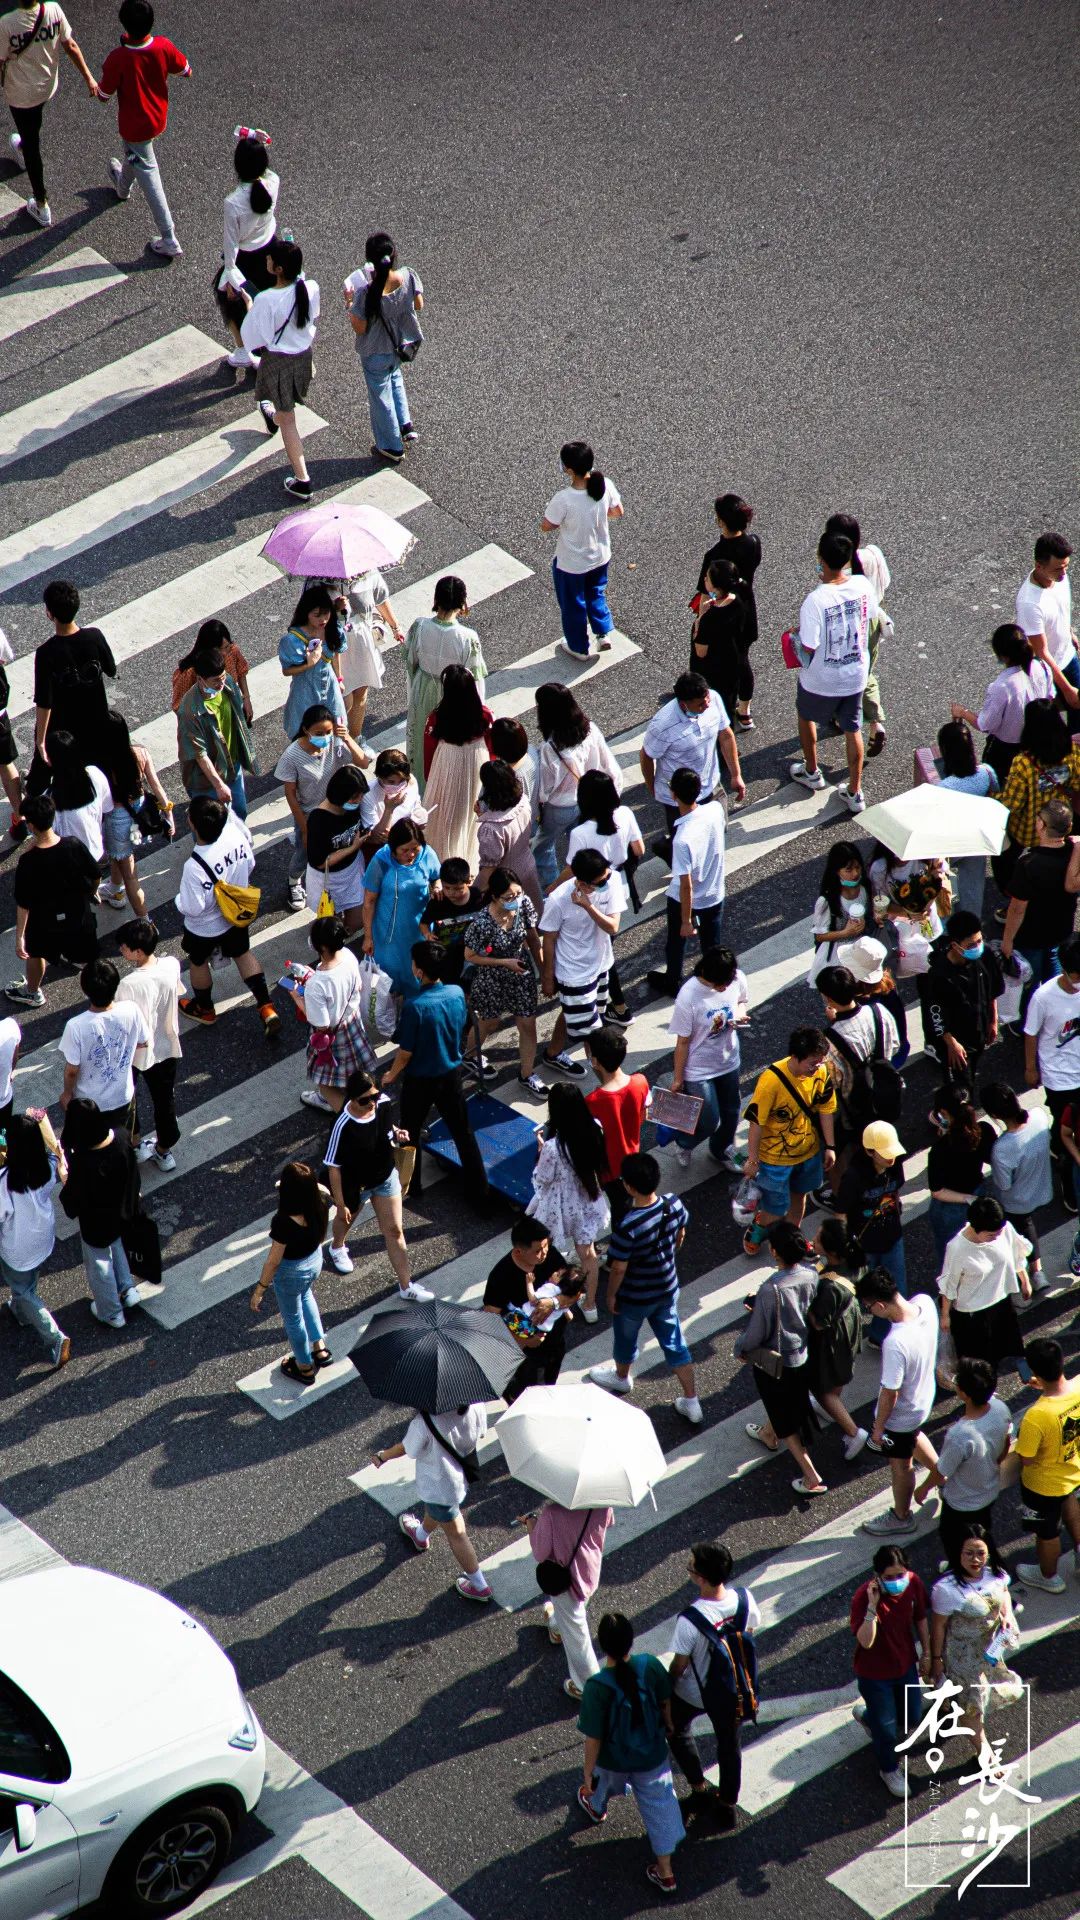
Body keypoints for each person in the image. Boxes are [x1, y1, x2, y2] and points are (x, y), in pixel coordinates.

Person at [585, 1152, 701, 1425]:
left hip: (635, 1296)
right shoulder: (673, 1204)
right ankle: (692, 1400)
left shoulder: (628, 1225)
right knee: (674, 1343)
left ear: (628, 1186)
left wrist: (611, 1294)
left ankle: (622, 1377)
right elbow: (681, 1234)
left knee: (626, 1339)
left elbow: (619, 1268)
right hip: (667, 1287)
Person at [575, 1612, 685, 1895]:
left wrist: (588, 1772)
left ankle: (596, 1806)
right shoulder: (649, 1665)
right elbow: (664, 1700)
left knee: (602, 1783)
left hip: (614, 1758)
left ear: (603, 1646)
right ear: (631, 1640)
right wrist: (669, 1724)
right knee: (660, 1806)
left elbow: (594, 1737)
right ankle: (666, 1872)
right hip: (652, 1755)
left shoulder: (597, 1686)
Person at [380, 942, 489, 1204]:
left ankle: (410, 1186)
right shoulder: (456, 993)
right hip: (451, 1075)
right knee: (463, 1133)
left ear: (419, 971)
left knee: (409, 1133)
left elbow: (405, 1053)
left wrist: (391, 1075)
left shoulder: (415, 1006)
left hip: (420, 1080)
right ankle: (480, 1196)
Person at [666, 1539, 760, 1829]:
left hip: (695, 1694)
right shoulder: (745, 1599)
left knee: (677, 1729)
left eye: (691, 1566)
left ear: (700, 1578)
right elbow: (749, 1633)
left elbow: (679, 1666)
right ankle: (727, 1805)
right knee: (729, 1747)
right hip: (735, 1692)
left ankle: (698, 1788)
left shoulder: (690, 1620)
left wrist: (665, 1691)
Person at [788, 529, 878, 813]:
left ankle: (812, 772)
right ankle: (854, 791)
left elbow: (810, 644)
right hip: (854, 674)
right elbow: (872, 615)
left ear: (821, 560)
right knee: (853, 728)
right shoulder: (863, 585)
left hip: (821, 679)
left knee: (806, 716)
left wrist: (795, 634)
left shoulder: (815, 600)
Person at [174, 795, 280, 1036]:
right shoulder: (235, 835)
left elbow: (193, 907)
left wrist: (178, 900)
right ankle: (266, 1006)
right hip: (235, 915)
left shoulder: (194, 866)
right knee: (243, 953)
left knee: (198, 961)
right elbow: (250, 864)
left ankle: (204, 1009)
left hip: (204, 928)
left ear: (192, 824)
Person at [736, 1222, 828, 1496]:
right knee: (788, 1403)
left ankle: (810, 1475)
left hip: (776, 1362)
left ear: (774, 1251)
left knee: (784, 1416)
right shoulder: (811, 1275)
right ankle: (767, 1432)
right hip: (802, 1353)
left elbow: (756, 1333)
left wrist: (740, 1348)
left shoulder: (770, 1289)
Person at [375, 1403, 493, 1604]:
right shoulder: (476, 1407)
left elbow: (407, 1448)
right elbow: (480, 1433)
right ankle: (420, 1535)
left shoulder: (425, 1422)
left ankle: (480, 1586)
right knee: (438, 1512)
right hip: (459, 1478)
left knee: (457, 1534)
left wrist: (382, 1456)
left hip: (440, 1486)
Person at [98, 0, 189, 258]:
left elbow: (105, 94)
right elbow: (185, 69)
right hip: (157, 119)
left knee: (149, 175)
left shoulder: (118, 57)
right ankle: (122, 186)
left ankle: (169, 237)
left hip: (134, 126)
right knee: (134, 156)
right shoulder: (163, 46)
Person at [322, 1071, 426, 1295]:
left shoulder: (383, 1104)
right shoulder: (342, 1124)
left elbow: (388, 1127)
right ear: (351, 1098)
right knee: (345, 1220)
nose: (371, 1103)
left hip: (385, 1177)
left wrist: (397, 1133)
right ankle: (337, 1246)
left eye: (375, 1096)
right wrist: (340, 1204)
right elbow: (333, 1166)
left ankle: (407, 1287)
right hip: (355, 1184)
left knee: (395, 1231)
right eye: (364, 1100)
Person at [741, 1027, 837, 1254]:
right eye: (812, 1063)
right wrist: (753, 1161)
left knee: (799, 1198)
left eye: (820, 1061)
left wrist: (830, 1146)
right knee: (774, 1208)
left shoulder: (821, 1072)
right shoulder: (771, 1081)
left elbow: (825, 1109)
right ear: (795, 1056)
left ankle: (790, 1241)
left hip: (808, 1152)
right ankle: (760, 1225)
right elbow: (756, 1123)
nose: (817, 1067)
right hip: (775, 1160)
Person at [858, 1272, 939, 1537]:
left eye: (869, 1308)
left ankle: (902, 1516)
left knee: (901, 1466)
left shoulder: (894, 1343)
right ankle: (941, 1473)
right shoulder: (925, 1304)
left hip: (902, 1414)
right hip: (924, 1398)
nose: (870, 1312)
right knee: (913, 1437)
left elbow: (890, 1393)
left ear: (880, 1305)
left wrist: (879, 1429)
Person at [2, 0, 98, 225]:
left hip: (21, 94)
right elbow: (70, 45)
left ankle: (41, 204)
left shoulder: (6, 24)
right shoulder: (53, 10)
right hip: (46, 86)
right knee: (32, 127)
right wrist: (89, 78)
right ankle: (25, 146)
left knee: (33, 146)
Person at [929, 1526, 1022, 1757]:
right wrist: (936, 1660)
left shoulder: (996, 1574)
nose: (975, 1559)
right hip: (962, 1658)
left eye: (980, 1553)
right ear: (957, 1554)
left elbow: (1004, 1592)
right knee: (973, 1707)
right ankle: (985, 1753)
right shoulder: (946, 1589)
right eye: (968, 1553)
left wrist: (1007, 1615)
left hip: (989, 1650)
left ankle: (951, 1708)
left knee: (975, 1698)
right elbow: (938, 1626)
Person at [240, 237, 320, 496]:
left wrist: (250, 307)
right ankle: (272, 416)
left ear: (278, 269)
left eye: (270, 258)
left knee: (288, 419)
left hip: (279, 363)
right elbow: (311, 317)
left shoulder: (265, 299)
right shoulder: (310, 288)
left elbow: (253, 340)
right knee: (287, 410)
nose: (266, 259)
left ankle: (302, 480)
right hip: (303, 358)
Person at [849, 1546, 931, 1798]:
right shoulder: (863, 1597)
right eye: (890, 1577)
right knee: (886, 1731)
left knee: (912, 1716)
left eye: (900, 1575)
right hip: (874, 1675)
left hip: (905, 1664)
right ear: (877, 1575)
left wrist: (927, 1653)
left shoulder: (913, 1582)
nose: (897, 1582)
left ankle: (868, 1717)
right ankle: (889, 1769)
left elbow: (920, 1618)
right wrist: (873, 1608)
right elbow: (866, 1641)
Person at [562, 767, 643, 1016]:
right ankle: (613, 1004)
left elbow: (571, 870)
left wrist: (551, 888)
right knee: (605, 945)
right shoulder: (626, 814)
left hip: (592, 895)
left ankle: (618, 1006)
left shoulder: (580, 833)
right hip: (618, 887)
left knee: (603, 952)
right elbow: (638, 850)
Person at [6, 793, 100, 1007]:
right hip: (77, 914)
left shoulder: (28, 861)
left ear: (31, 826)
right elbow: (95, 874)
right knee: (88, 954)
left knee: (36, 952)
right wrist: (92, 892)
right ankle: (98, 989)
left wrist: (20, 937)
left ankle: (32, 992)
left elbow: (23, 903)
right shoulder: (74, 845)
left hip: (44, 922)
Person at [914, 1357, 1012, 1560]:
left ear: (964, 1394)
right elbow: (1006, 1440)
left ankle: (960, 1569)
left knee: (955, 1540)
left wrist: (922, 1489)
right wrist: (998, 1459)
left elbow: (942, 1471)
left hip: (961, 1501)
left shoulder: (960, 1435)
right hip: (989, 1489)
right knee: (981, 1533)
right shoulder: (1000, 1408)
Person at [640, 673, 746, 859]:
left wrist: (736, 774)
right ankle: (667, 849)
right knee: (687, 848)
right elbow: (646, 756)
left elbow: (726, 735)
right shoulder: (662, 725)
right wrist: (653, 789)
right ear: (683, 704)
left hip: (711, 785)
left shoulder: (713, 699)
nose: (707, 705)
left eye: (706, 699)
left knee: (717, 831)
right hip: (679, 798)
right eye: (700, 704)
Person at [275, 702, 369, 911]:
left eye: (328, 731)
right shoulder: (292, 756)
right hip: (309, 814)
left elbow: (363, 762)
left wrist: (346, 738)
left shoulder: (335, 743)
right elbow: (290, 794)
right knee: (305, 853)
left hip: (337, 809)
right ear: (306, 729)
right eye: (319, 732)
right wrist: (305, 827)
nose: (325, 737)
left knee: (338, 846)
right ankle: (294, 882)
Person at [526, 1085, 610, 1317]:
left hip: (559, 1207)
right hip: (587, 1199)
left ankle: (553, 1299)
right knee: (588, 1254)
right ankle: (590, 1305)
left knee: (546, 1252)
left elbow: (542, 1179)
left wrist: (541, 1152)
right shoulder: (595, 1129)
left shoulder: (553, 1147)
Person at [59, 1097, 140, 1329]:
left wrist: (65, 1175)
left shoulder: (84, 1162)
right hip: (121, 1209)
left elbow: (72, 1204)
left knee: (100, 1264)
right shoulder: (121, 1136)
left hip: (96, 1222)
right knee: (116, 1244)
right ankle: (127, 1288)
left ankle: (111, 1312)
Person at [538, 848, 621, 1075]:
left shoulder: (611, 880)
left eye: (606, 875)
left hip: (601, 965)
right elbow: (549, 940)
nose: (607, 880)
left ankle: (552, 1053)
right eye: (599, 881)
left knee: (580, 1013)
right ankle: (606, 1081)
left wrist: (588, 905)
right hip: (574, 974)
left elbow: (613, 926)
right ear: (581, 883)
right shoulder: (558, 901)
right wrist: (547, 976)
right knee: (592, 1034)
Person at [464, 866, 545, 1097]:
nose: (515, 900)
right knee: (489, 1022)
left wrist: (544, 972)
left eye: (518, 894)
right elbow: (470, 956)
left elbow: (532, 937)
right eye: (508, 897)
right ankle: (470, 1055)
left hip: (520, 973)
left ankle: (527, 1074)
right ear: (494, 896)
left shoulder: (524, 904)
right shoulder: (482, 922)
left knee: (528, 1024)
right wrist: (503, 963)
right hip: (492, 977)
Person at [29, 580, 116, 794]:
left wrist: (40, 741)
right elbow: (111, 669)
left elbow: (44, 701)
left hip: (63, 730)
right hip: (97, 724)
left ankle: (31, 803)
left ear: (50, 614)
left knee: (41, 776)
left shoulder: (46, 653)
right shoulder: (94, 637)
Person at [533, 682, 622, 892]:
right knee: (584, 847)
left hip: (559, 808)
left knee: (543, 847)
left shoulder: (551, 747)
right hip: (588, 802)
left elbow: (545, 788)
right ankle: (584, 882)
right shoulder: (590, 729)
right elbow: (607, 764)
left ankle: (552, 888)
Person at [668, 946, 749, 1173]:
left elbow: (742, 1000)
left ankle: (721, 1149)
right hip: (699, 1069)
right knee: (708, 1120)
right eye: (720, 984)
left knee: (732, 1110)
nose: (725, 987)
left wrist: (740, 1014)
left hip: (729, 1059)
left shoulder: (736, 978)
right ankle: (684, 1143)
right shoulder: (688, 996)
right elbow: (682, 1042)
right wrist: (678, 1078)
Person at [520, 1501, 612, 1700]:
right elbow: (608, 1522)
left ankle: (590, 1688)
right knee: (572, 1614)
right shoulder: (602, 1502)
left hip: (565, 1580)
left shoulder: (553, 1513)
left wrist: (531, 1524)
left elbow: (540, 1551)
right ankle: (556, 1627)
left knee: (578, 1638)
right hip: (589, 1570)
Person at [646, 767, 727, 996]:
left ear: (673, 794)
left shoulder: (682, 840)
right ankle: (716, 982)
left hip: (691, 900)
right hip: (715, 891)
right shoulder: (714, 810)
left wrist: (686, 920)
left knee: (675, 943)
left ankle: (672, 980)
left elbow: (685, 885)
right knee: (711, 945)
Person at [345, 230, 424, 462]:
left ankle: (391, 446)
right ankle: (406, 426)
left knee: (381, 395)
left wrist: (349, 303)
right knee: (395, 377)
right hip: (401, 345)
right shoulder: (408, 276)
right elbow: (418, 304)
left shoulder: (365, 293)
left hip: (374, 352)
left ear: (370, 262)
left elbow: (360, 328)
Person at [250, 1161, 331, 1384]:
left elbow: (274, 1261)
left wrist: (260, 1289)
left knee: (293, 1319)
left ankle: (304, 1366)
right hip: (314, 1261)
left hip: (291, 1272)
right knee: (306, 1296)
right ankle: (320, 1348)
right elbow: (320, 1189)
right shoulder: (321, 1201)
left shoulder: (284, 1221)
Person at [541, 440, 624, 658]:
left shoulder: (564, 499)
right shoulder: (604, 484)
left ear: (569, 470)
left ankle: (578, 647)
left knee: (573, 603)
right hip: (600, 556)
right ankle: (603, 633)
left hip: (571, 563)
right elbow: (617, 511)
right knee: (596, 593)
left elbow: (546, 526)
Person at [403, 576, 487, 790]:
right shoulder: (468, 637)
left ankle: (421, 789)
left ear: (436, 599)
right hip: (453, 697)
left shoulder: (419, 627)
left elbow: (410, 662)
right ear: (462, 602)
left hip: (422, 691)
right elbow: (474, 681)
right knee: (448, 746)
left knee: (422, 743)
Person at [0, 1113, 69, 1369]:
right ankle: (21, 1311)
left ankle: (55, 1337)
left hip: (17, 1246)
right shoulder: (48, 1164)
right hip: (43, 1237)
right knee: (28, 1282)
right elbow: (59, 1159)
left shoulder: (5, 1181)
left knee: (21, 1287)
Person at [938, 1195, 1031, 1383]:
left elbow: (1016, 1253)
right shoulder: (957, 1248)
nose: (996, 1237)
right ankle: (984, 1394)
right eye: (991, 1235)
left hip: (1001, 1300)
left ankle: (1026, 1374)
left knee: (1010, 1343)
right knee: (981, 1360)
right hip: (973, 1313)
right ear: (976, 1227)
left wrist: (1024, 1279)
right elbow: (949, 1284)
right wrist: (945, 1314)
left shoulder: (1002, 1228)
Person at [1012, 1336, 1080, 1593]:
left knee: (1047, 1532)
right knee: (1070, 1501)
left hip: (1043, 1485)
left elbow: (1027, 1458)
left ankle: (1048, 1575)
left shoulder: (1037, 1416)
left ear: (1035, 1372)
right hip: (1072, 1469)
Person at [949, 624, 1057, 784]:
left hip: (1005, 752)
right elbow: (1050, 697)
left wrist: (963, 712)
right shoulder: (1042, 666)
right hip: (1037, 743)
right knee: (1033, 784)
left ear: (1004, 657)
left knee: (999, 787)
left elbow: (985, 724)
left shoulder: (1002, 687)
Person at [824, 511, 892, 758]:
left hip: (850, 628)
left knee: (844, 673)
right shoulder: (872, 555)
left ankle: (845, 717)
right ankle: (876, 724)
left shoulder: (838, 570)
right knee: (867, 672)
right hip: (873, 622)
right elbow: (885, 585)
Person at [815, 963, 900, 1163]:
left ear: (828, 998)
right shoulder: (879, 1012)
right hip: (887, 1093)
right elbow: (894, 1045)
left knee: (860, 1158)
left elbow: (833, 1082)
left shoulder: (830, 1041)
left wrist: (834, 1024)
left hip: (857, 1110)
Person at [290, 916, 374, 1116]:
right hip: (352, 1022)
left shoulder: (317, 984)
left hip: (334, 1034)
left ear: (321, 947)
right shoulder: (347, 955)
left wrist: (297, 998)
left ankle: (347, 1114)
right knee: (353, 1070)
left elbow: (321, 1025)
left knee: (325, 1081)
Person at [116, 918, 181, 1172]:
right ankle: (164, 1151)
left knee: (129, 1098)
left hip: (135, 1052)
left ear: (138, 952)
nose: (121, 949)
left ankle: (135, 1142)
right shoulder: (171, 965)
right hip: (166, 1047)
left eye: (125, 947)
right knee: (165, 1102)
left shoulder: (128, 984)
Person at [483, 1215, 571, 1399]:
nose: (545, 1253)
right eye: (538, 1250)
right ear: (518, 1252)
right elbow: (490, 1318)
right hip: (526, 1353)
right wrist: (523, 1341)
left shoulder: (551, 1256)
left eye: (546, 1245)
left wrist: (554, 1303)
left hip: (556, 1341)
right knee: (528, 1394)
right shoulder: (501, 1276)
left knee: (548, 1388)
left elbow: (574, 1290)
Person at [98, 708, 175, 915]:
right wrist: (168, 813)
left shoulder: (101, 762)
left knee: (130, 875)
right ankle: (114, 889)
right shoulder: (140, 752)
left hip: (117, 818)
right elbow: (157, 786)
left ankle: (144, 920)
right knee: (119, 856)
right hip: (138, 811)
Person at [837, 1120, 908, 1344]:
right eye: (885, 1153)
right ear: (869, 1151)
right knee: (860, 1295)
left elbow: (896, 1189)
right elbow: (841, 1214)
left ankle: (880, 1336)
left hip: (892, 1237)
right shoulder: (854, 1177)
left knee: (896, 1292)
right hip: (864, 1246)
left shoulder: (894, 1164)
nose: (892, 1158)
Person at [60, 957, 147, 1134]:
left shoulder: (76, 1026)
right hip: (123, 1094)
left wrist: (67, 1093)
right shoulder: (131, 1009)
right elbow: (142, 1042)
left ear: (85, 990)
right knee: (122, 1138)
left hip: (90, 1102)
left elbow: (71, 1070)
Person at [918, 909, 1003, 1090]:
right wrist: (951, 1043)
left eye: (979, 941)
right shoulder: (939, 975)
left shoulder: (984, 955)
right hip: (956, 1042)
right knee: (960, 1087)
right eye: (971, 944)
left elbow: (992, 989)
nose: (977, 947)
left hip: (980, 1029)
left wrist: (993, 1021)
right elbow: (934, 1012)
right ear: (955, 945)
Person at [1022, 934, 1080, 1196]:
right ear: (1066, 972)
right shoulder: (1043, 997)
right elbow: (1031, 1033)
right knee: (1065, 1124)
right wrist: (1031, 1068)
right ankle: (1065, 1170)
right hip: (1060, 1079)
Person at [1000, 796, 1076, 990]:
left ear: (1041, 825)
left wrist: (1007, 941)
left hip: (1031, 937)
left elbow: (1017, 909)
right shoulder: (1074, 854)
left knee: (1029, 989)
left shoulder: (1028, 864)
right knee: (1057, 986)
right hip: (1061, 932)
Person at [216, 131, 279, 363]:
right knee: (271, 301)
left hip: (245, 258)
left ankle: (243, 350)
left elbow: (230, 244)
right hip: (271, 248)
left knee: (231, 302)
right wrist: (258, 142)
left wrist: (230, 275)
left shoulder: (233, 202)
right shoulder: (273, 182)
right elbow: (266, 170)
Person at [998, 701, 1080, 880]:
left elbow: (1012, 804)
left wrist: (994, 796)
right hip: (1056, 822)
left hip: (1026, 829)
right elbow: (1076, 783)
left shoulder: (1023, 762)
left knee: (1005, 859)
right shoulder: (1072, 753)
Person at [980, 1084, 1052, 1289]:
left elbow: (1004, 1184)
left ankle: (1024, 1279)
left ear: (994, 1114)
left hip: (1016, 1202)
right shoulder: (1039, 1116)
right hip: (1043, 1189)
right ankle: (1038, 1273)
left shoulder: (1002, 1149)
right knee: (1027, 1226)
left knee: (1015, 1235)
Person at [807, 1218, 867, 1459]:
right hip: (850, 1327)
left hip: (832, 1338)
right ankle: (826, 1407)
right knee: (837, 1377)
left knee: (822, 1388)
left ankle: (853, 1432)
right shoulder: (854, 1263)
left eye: (818, 1237)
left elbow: (818, 1322)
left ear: (831, 1251)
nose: (813, 1239)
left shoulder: (829, 1287)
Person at [361, 818, 441, 998]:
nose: (411, 854)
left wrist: (437, 886)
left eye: (415, 848)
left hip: (418, 931)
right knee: (387, 980)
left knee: (417, 975)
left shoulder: (428, 854)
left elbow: (437, 876)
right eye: (405, 850)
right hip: (387, 935)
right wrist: (368, 937)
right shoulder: (381, 861)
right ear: (393, 847)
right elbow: (369, 901)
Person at [423, 665, 492, 868]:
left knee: (446, 811)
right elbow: (491, 745)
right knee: (470, 810)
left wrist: (430, 775)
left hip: (447, 761)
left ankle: (445, 857)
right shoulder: (484, 715)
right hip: (476, 761)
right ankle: (469, 855)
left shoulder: (436, 717)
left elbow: (429, 749)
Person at [585, 1024, 649, 1238]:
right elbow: (643, 1116)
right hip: (635, 1157)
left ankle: (622, 1252)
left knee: (620, 1213)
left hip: (610, 1170)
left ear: (595, 1062)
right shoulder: (640, 1082)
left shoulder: (593, 1101)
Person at [176, 647, 256, 820]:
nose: (221, 684)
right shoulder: (190, 711)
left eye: (222, 677)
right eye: (215, 681)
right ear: (200, 679)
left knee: (240, 812)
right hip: (206, 780)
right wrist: (219, 785)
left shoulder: (227, 683)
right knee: (209, 824)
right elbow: (200, 754)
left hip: (232, 766)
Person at [935, 718, 1001, 916]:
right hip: (976, 839)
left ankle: (947, 923)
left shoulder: (943, 787)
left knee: (947, 883)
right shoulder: (986, 772)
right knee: (973, 884)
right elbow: (995, 792)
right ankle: (972, 922)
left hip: (951, 842)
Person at [329, 567, 404, 740]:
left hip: (361, 640)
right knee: (341, 698)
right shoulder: (321, 581)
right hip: (335, 642)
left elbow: (380, 599)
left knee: (361, 691)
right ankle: (336, 742)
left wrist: (395, 626)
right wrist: (337, 609)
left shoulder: (368, 571)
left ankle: (355, 738)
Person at [926, 1085, 991, 1267]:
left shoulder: (940, 1149)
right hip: (978, 1192)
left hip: (951, 1208)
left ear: (945, 1113)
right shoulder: (984, 1131)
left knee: (951, 1258)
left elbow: (937, 1191)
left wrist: (967, 1198)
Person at [304, 765, 372, 931]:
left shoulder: (354, 808)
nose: (358, 801)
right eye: (354, 797)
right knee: (331, 926)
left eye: (361, 796)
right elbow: (319, 861)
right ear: (340, 794)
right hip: (329, 880)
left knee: (356, 922)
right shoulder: (318, 820)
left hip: (353, 873)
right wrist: (353, 848)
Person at [278, 586, 347, 740]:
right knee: (304, 732)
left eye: (326, 614)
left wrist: (339, 678)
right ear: (306, 614)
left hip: (330, 685)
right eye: (317, 615)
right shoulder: (292, 639)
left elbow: (335, 654)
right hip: (305, 689)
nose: (323, 620)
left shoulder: (333, 629)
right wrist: (308, 664)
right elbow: (287, 671)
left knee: (338, 729)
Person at [475, 759, 542, 910]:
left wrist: (474, 892)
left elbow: (489, 868)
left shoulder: (491, 829)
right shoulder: (523, 802)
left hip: (505, 882)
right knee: (532, 914)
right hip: (527, 867)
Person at [1015, 531, 1075, 697]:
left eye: (1066, 566)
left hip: (1068, 655)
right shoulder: (1030, 604)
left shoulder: (1059, 578)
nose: (1064, 573)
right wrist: (1067, 689)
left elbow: (1059, 609)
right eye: (1058, 568)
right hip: (1049, 672)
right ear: (1039, 566)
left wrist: (1070, 633)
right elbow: (1041, 652)